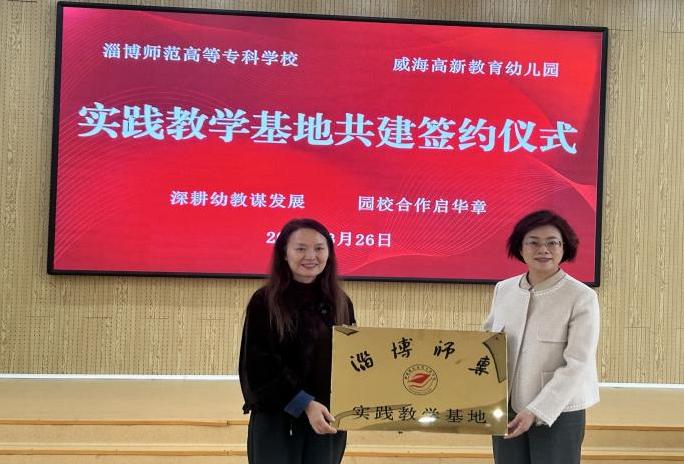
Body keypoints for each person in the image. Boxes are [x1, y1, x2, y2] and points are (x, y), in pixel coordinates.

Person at [483, 210, 600, 464]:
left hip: (558, 410)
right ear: (520, 248)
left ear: (564, 248)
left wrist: (537, 410)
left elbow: (578, 363)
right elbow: (487, 344)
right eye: (533, 242)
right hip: (506, 407)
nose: (543, 249)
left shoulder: (581, 296)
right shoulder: (504, 289)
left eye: (552, 242)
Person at [239, 218, 355, 464]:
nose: (311, 256)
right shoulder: (264, 302)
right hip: (278, 420)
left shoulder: (341, 302)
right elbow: (259, 368)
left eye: (319, 248)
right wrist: (304, 404)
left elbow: (351, 359)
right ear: (284, 253)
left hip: (327, 419)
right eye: (301, 248)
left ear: (329, 253)